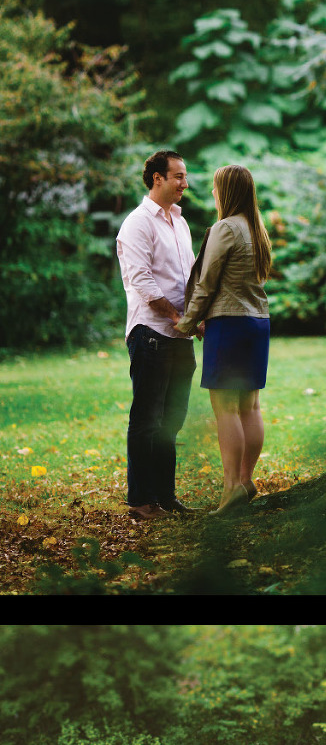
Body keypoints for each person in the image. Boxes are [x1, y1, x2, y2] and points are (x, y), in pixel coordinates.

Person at [173, 163, 271, 515]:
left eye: (216, 187)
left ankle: (231, 488)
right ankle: (245, 481)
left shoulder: (225, 228)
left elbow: (207, 282)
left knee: (226, 408)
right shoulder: (255, 228)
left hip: (229, 323)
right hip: (258, 323)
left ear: (226, 192)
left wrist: (187, 323)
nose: (213, 193)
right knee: (250, 406)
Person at [116, 149, 197, 521]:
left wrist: (194, 318)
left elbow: (188, 277)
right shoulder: (137, 223)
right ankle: (140, 502)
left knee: (172, 419)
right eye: (178, 176)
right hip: (152, 333)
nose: (185, 183)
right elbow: (142, 281)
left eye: (185, 175)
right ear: (157, 178)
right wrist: (177, 316)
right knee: (147, 418)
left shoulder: (179, 222)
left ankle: (165, 496)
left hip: (181, 336)